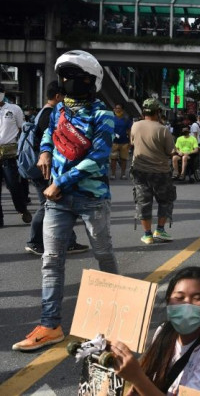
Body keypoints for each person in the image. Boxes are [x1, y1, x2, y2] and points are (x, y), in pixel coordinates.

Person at [12, 50, 119, 352]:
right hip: (58, 200)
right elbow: (47, 133)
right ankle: (50, 324)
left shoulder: (103, 115)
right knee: (51, 261)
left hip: (91, 199)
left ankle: (120, 311)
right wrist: (45, 152)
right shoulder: (60, 111)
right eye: (66, 76)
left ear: (91, 81)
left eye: (76, 77)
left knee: (103, 253)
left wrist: (60, 181)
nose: (69, 82)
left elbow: (98, 157)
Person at [110, 267, 200, 395]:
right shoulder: (163, 331)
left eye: (197, 298)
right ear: (168, 302)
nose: (187, 304)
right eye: (179, 297)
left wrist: (137, 378)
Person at [25, 81, 88, 256]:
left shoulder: (44, 113)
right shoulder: (50, 114)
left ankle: (69, 241)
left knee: (56, 204)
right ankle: (35, 241)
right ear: (59, 96)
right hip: (43, 166)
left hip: (44, 165)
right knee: (47, 204)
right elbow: (54, 140)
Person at [130, 98, 177, 245]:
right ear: (158, 112)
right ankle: (160, 230)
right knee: (165, 200)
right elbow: (171, 151)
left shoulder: (135, 126)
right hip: (161, 172)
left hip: (139, 171)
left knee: (143, 201)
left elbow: (132, 142)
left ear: (143, 112)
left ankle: (147, 235)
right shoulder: (163, 130)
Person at [0, 83, 33, 227]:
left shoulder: (14, 109)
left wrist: (23, 148)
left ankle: (21, 208)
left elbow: (23, 128)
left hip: (9, 154)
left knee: (13, 186)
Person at [110, 103, 132, 180]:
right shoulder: (112, 119)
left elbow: (129, 131)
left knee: (124, 159)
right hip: (114, 142)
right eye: (116, 108)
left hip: (124, 143)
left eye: (119, 108)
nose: (118, 110)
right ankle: (113, 174)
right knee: (113, 159)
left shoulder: (126, 120)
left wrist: (130, 141)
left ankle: (123, 174)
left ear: (122, 110)